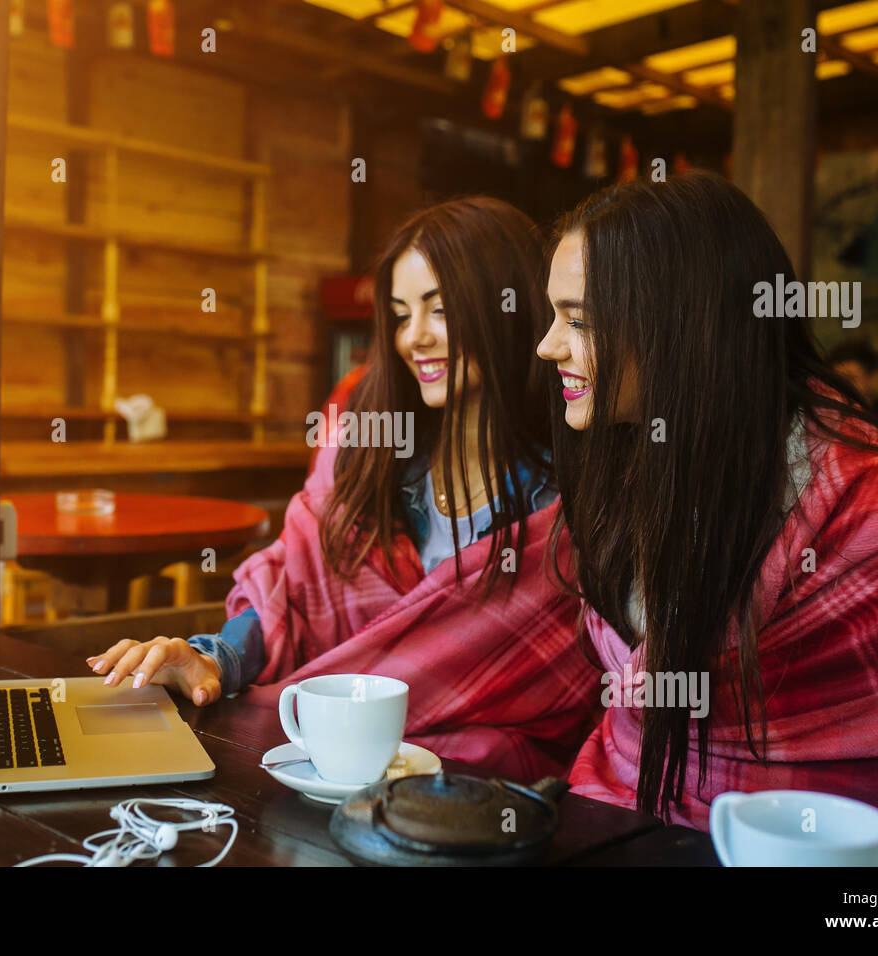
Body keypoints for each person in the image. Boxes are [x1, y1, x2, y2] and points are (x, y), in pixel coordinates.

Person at [89, 197, 602, 779]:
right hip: (331, 770)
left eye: (440, 310)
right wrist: (213, 657)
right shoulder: (371, 456)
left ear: (510, 307)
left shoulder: (570, 502)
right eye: (401, 315)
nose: (416, 338)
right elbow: (293, 583)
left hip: (488, 797)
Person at [537, 171, 878, 865]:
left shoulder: (876, 508)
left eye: (579, 320)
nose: (547, 346)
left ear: (685, 324)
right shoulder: (629, 457)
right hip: (617, 818)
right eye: (553, 316)